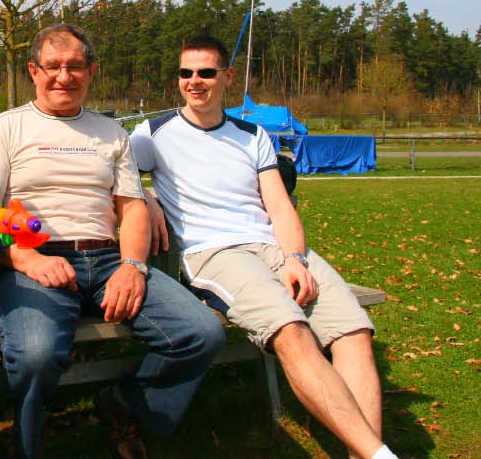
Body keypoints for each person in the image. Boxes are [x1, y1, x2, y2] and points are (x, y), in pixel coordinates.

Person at [130, 34, 397, 459]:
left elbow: (280, 206)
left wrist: (294, 259)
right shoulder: (152, 133)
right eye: (185, 72)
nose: (194, 81)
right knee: (291, 332)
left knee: (354, 332)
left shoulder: (253, 135)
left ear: (227, 77)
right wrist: (145, 195)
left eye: (205, 72)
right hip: (213, 255)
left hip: (272, 247)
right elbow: (116, 178)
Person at [0, 24, 225, 459]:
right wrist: (26, 260)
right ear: (33, 70)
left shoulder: (111, 132)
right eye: (52, 66)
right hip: (35, 261)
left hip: (107, 261)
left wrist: (133, 266)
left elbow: (132, 208)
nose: (63, 76)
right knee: (35, 355)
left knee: (201, 332)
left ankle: (123, 404)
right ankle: (27, 445)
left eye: (75, 66)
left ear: (91, 71)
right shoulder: (6, 128)